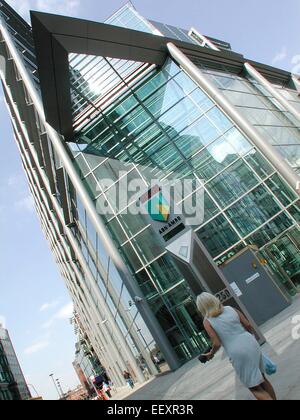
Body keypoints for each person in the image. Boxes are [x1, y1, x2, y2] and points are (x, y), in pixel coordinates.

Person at [197, 292, 277, 401]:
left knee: (254, 388)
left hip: (237, 351)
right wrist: (250, 337)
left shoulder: (207, 321)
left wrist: (211, 354)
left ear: (202, 307)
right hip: (250, 342)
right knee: (262, 378)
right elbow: (248, 325)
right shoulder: (230, 309)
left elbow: (216, 343)